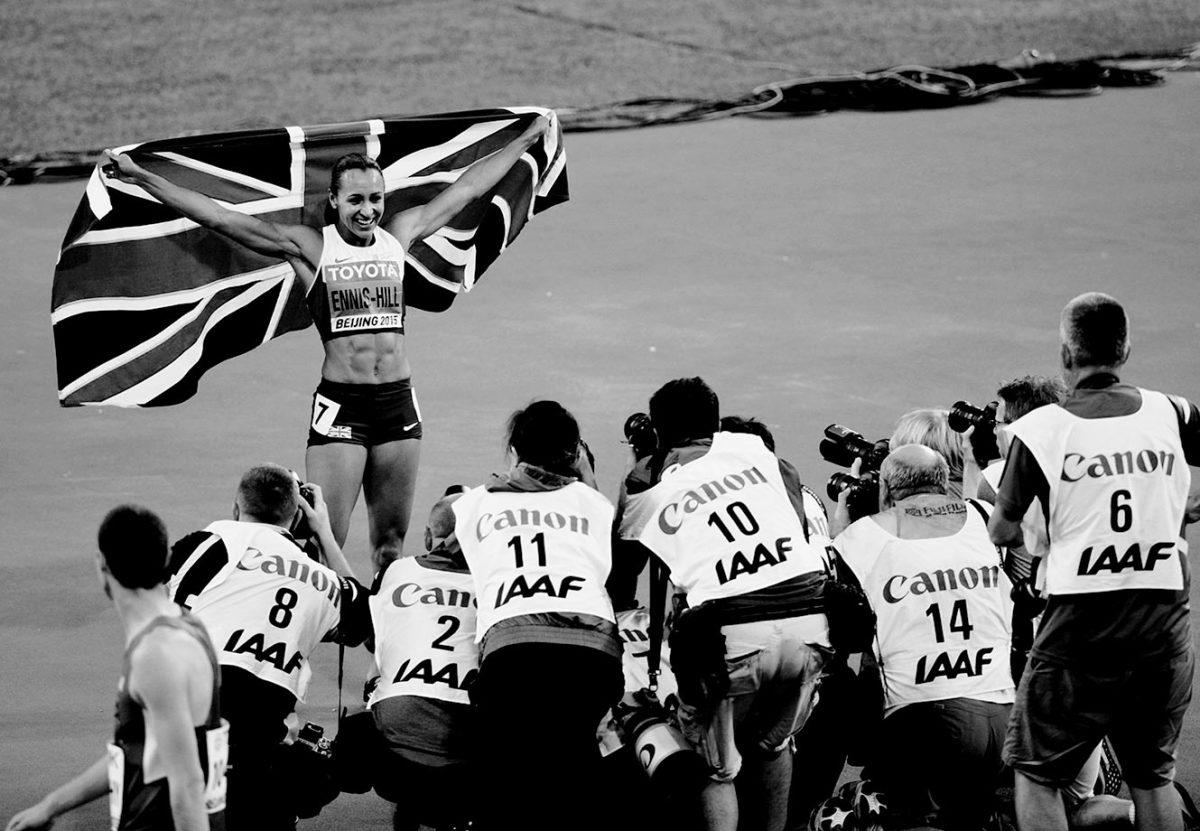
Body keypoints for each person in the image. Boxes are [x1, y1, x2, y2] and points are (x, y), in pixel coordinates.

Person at [103, 113, 553, 571]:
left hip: (398, 404)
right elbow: (220, 217)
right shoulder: (311, 247)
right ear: (334, 200)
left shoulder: (399, 235)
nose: (367, 210)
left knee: (390, 548)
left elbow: (468, 189)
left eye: (375, 199)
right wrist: (143, 177)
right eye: (355, 200)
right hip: (343, 409)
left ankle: (383, 639)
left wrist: (525, 140)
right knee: (325, 545)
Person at [988, 292, 1199, 831]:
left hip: (1080, 629)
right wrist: (1184, 508)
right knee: (1152, 775)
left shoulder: (1038, 431)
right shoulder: (1172, 411)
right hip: (1164, 621)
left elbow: (1002, 529)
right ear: (1125, 348)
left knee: (1036, 771)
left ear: (1066, 356)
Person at [618, 378, 831, 831]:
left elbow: (624, 572)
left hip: (731, 637)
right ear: (716, 422)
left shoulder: (648, 476)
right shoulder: (764, 456)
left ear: (657, 432)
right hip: (811, 624)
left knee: (718, 769)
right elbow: (798, 530)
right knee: (773, 746)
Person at [166, 464, 370, 830]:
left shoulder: (204, 544)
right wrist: (324, 533)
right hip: (261, 755)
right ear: (296, 518)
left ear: (236, 506)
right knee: (312, 773)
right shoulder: (322, 580)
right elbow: (365, 622)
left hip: (184, 733)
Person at [452, 400, 623, 831]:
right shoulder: (596, 504)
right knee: (575, 767)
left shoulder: (471, 506)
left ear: (513, 452)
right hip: (593, 652)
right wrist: (584, 474)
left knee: (509, 781)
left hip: (513, 653)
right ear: (575, 454)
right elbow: (611, 573)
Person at [7, 506, 226, 831]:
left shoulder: (156, 655)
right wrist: (52, 804)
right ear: (166, 558)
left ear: (101, 565)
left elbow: (188, 787)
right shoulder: (188, 626)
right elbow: (145, 751)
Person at [834, 444, 1015, 830]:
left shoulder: (859, 536)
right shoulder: (984, 516)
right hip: (1001, 710)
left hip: (923, 715)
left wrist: (841, 526)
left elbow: (842, 626)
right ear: (942, 482)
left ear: (885, 489)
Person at [367, 487, 480, 831]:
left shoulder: (397, 573)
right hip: (468, 752)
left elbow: (371, 633)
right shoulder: (497, 586)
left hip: (394, 749)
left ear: (430, 536)